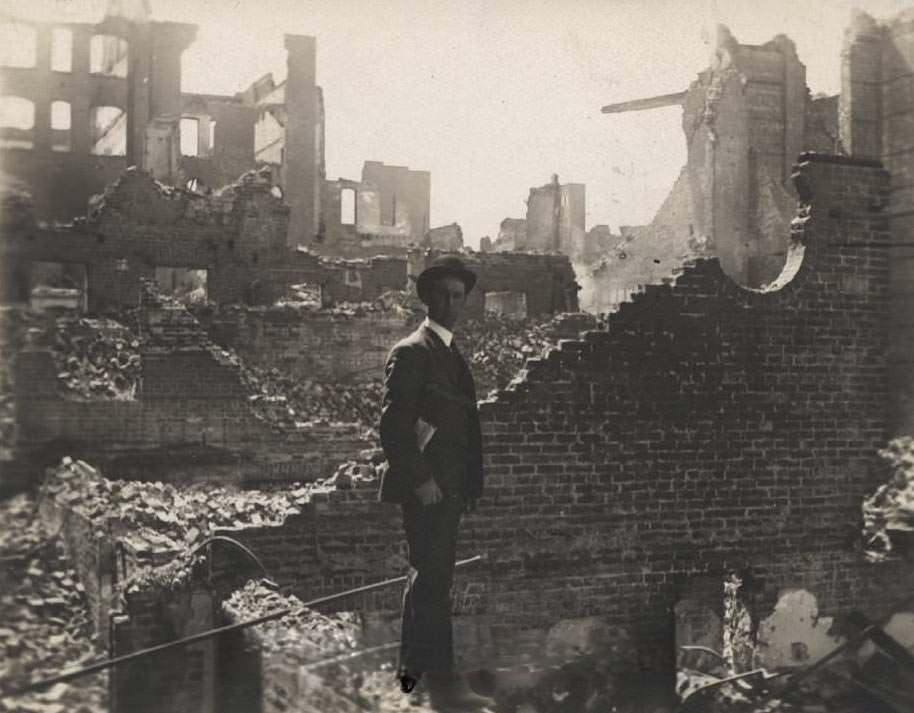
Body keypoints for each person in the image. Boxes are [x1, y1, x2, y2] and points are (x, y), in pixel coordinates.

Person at [378, 255, 496, 711]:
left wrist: (466, 485)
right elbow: (393, 428)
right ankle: (445, 688)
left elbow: (460, 426)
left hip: (448, 489)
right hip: (427, 489)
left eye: (458, 296)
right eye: (442, 295)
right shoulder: (412, 351)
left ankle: (412, 673)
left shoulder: (448, 352)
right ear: (427, 299)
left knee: (427, 577)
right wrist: (422, 479)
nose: (451, 303)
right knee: (433, 579)